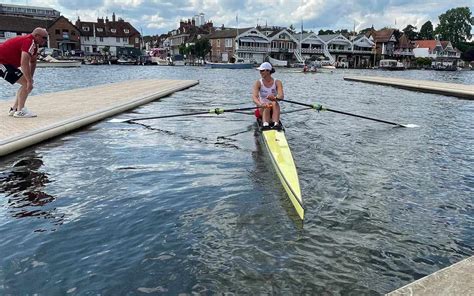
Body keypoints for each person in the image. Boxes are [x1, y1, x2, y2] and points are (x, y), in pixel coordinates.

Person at [0, 27, 49, 118]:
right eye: (44, 38)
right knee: (26, 83)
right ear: (36, 36)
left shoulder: (34, 45)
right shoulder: (29, 41)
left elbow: (33, 62)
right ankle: (20, 111)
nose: (46, 40)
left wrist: (30, 79)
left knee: (26, 83)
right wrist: (28, 81)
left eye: (47, 38)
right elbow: (24, 62)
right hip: (1, 62)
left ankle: (14, 109)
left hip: (6, 63)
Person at [252, 62, 284, 129]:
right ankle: (265, 124)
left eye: (262, 71)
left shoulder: (277, 82)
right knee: (267, 104)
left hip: (273, 107)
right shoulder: (258, 83)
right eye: (260, 71)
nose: (260, 72)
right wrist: (260, 104)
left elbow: (281, 96)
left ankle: (276, 124)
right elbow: (254, 97)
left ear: (268, 71)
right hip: (262, 108)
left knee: (274, 103)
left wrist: (275, 98)